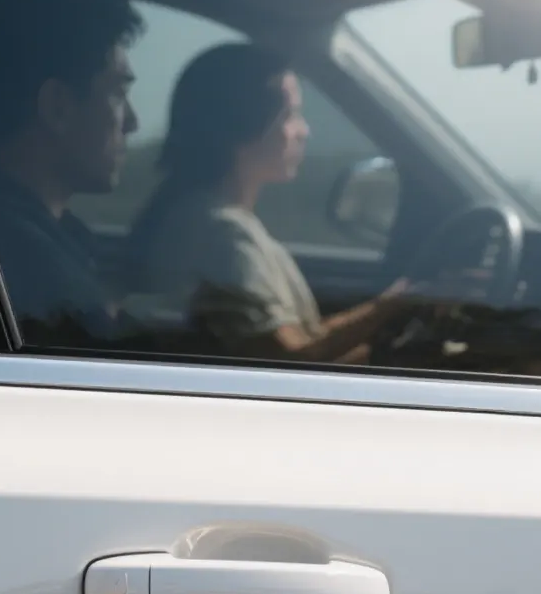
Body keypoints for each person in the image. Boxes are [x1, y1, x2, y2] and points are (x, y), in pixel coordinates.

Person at [128, 42, 405, 363]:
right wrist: (394, 304)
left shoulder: (200, 217)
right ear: (243, 125)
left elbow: (302, 342)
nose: (304, 131)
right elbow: (291, 361)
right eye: (290, 115)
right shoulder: (223, 236)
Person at [0, 0, 142, 337]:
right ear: (58, 107)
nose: (132, 122)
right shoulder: (36, 273)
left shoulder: (12, 234)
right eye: (117, 93)